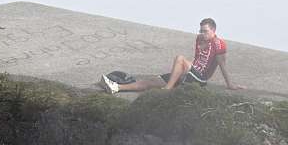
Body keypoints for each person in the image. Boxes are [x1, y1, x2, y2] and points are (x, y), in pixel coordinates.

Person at [99, 18, 245, 94]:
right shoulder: (199, 39)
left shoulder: (219, 44)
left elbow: (222, 66)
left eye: (205, 31)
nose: (202, 33)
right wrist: (182, 73)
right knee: (151, 81)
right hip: (189, 73)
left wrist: (230, 85)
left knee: (180, 58)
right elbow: (196, 59)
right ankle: (116, 87)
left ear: (213, 30)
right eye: (200, 30)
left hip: (200, 78)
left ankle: (167, 89)